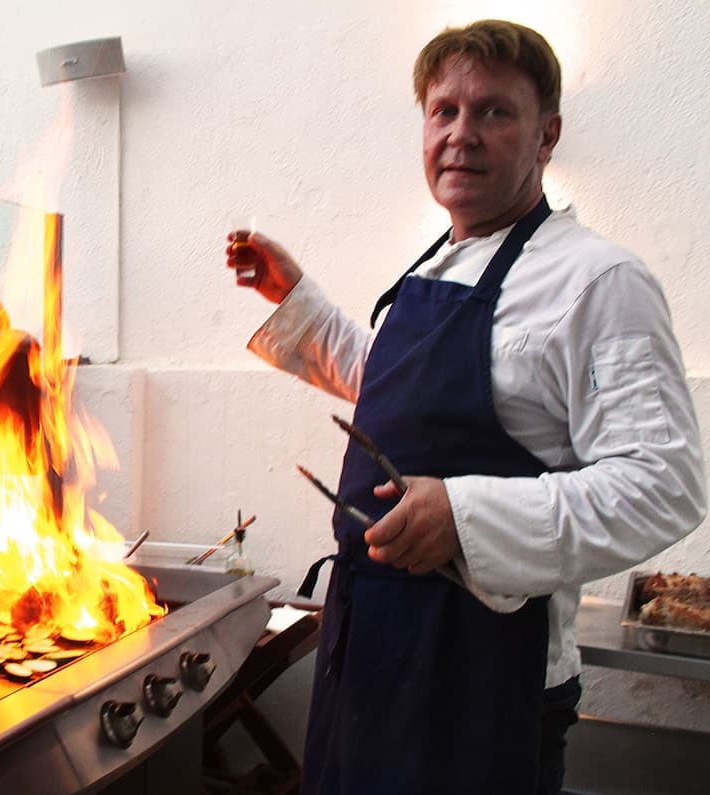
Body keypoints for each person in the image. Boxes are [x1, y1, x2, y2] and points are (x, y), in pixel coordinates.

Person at [225, 19, 706, 795]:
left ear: (547, 135)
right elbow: (394, 389)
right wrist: (299, 302)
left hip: (484, 681)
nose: (461, 134)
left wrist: (465, 516)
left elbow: (664, 483)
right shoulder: (436, 263)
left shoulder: (599, 281)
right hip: (369, 647)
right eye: (443, 111)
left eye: (493, 111)